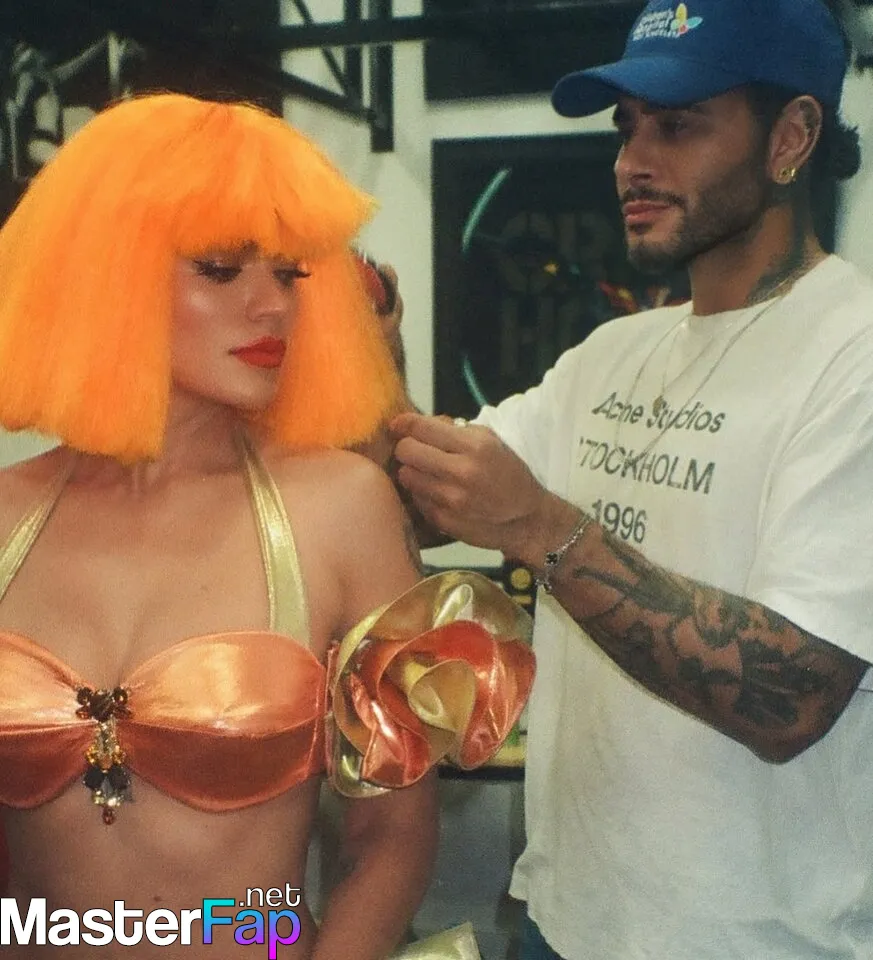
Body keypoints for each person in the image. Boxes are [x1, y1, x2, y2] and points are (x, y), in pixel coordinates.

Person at [0, 93, 534, 959]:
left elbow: (391, 841)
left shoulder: (340, 508)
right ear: (106, 275)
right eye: (221, 269)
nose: (273, 307)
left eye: (288, 274)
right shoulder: (6, 514)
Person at [391, 1, 873, 958]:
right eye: (625, 129)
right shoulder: (612, 355)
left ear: (790, 137)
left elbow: (793, 693)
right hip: (561, 918)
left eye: (677, 125)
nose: (630, 162)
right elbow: (421, 497)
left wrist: (541, 529)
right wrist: (360, 356)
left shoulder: (851, 355)